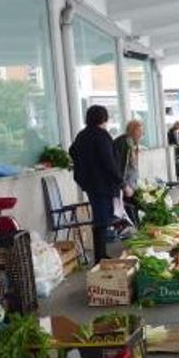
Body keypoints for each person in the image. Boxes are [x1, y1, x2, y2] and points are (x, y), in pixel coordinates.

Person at [69, 105, 124, 261]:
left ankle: (101, 254)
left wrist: (84, 166)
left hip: (89, 183)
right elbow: (109, 162)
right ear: (103, 118)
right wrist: (121, 182)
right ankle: (100, 257)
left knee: (100, 218)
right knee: (101, 220)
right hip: (102, 183)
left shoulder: (82, 135)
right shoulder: (101, 136)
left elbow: (72, 150)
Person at [114, 120, 144, 226]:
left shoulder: (131, 143)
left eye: (142, 130)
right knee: (130, 211)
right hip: (126, 185)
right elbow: (121, 166)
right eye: (139, 130)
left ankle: (136, 229)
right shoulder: (125, 143)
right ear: (132, 130)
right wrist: (124, 186)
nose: (141, 133)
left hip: (131, 184)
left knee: (134, 210)